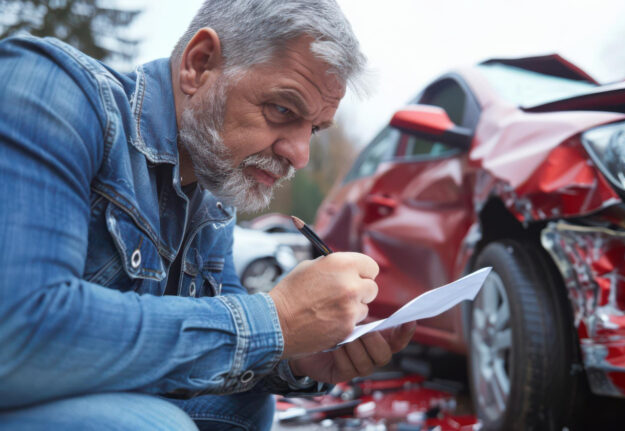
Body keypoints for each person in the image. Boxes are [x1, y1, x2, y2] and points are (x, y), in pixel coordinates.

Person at [0, 0, 415, 429]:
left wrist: (297, 353)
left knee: (246, 409)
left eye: (312, 129)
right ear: (199, 65)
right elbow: (16, 329)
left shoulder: (214, 198)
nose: (300, 154)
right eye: (282, 110)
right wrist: (278, 318)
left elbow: (209, 338)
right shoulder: (50, 89)